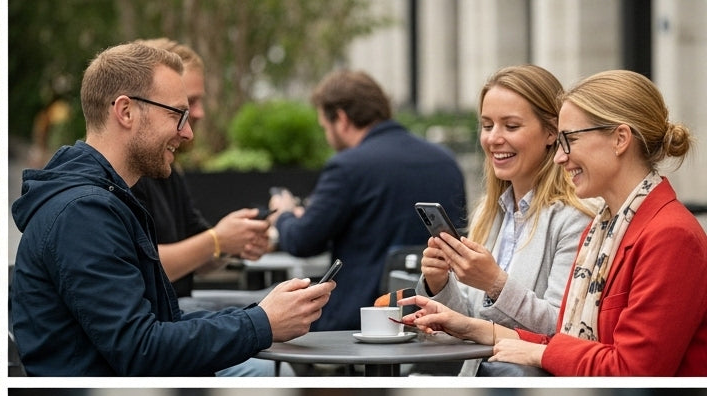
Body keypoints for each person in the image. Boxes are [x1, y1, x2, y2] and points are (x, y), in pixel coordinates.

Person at [10, 42, 333, 376]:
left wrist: (261, 316)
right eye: (177, 114)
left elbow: (157, 327)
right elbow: (141, 350)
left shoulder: (101, 200)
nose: (188, 131)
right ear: (125, 111)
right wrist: (260, 323)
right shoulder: (83, 214)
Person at [400, 70, 707, 375]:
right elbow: (568, 339)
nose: (559, 157)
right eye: (487, 125)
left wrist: (534, 349)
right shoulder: (603, 229)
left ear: (620, 139)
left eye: (569, 139)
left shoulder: (670, 235)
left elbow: (632, 370)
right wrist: (473, 326)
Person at [415, 65, 594, 376]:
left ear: (551, 132)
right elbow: (471, 324)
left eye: (511, 126)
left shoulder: (575, 217)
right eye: (487, 125)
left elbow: (562, 329)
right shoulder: (491, 209)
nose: (494, 139)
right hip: (482, 373)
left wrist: (495, 283)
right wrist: (439, 283)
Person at [268, 70, 467, 331]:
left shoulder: (348, 166)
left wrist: (283, 214)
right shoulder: (445, 161)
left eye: (325, 128)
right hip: (437, 316)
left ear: (341, 118)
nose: (328, 137)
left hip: (361, 320)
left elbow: (303, 241)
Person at [129, 39, 270, 299]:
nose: (199, 115)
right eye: (186, 106)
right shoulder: (123, 176)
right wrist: (217, 239)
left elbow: (200, 257)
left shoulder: (169, 170)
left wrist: (233, 242)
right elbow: (140, 267)